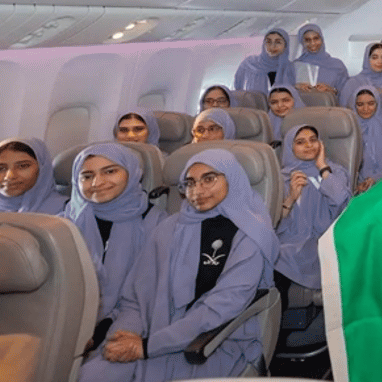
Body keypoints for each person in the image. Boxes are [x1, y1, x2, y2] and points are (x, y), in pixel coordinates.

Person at [80, 149, 279, 382]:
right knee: (90, 375)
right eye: (190, 183)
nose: (198, 191)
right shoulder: (168, 228)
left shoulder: (251, 233)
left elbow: (222, 307)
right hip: (151, 331)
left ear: (231, 178)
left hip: (211, 342)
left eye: (209, 179)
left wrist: (148, 346)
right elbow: (136, 299)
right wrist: (122, 336)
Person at [67, 143, 166, 351]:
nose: (97, 183)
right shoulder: (65, 223)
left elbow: (148, 294)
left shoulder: (157, 223)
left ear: (132, 173)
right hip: (70, 319)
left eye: (110, 171)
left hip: (132, 323)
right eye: (87, 176)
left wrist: (107, 332)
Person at [275, 126, 350, 309]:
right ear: (290, 147)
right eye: (300, 142)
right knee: (269, 252)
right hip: (289, 238)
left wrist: (322, 167)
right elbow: (275, 223)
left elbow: (344, 204)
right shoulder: (281, 178)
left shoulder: (335, 172)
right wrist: (291, 198)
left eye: (313, 140)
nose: (309, 145)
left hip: (324, 239)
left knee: (280, 257)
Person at [341, 85, 382, 192]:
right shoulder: (348, 130)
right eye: (360, 104)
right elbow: (343, 165)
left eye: (371, 103)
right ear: (353, 105)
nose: (366, 109)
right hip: (354, 186)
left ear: (378, 104)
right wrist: (354, 185)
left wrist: (376, 178)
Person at [0, 137, 67, 214]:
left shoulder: (66, 212)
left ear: (42, 169)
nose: (10, 176)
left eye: (22, 166)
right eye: (0, 168)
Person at [233, 28, 295, 94]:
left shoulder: (289, 67)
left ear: (285, 46)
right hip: (253, 100)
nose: (272, 46)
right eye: (268, 42)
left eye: (278, 42)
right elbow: (238, 88)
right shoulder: (250, 62)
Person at [292, 24, 348, 96]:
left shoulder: (337, 65)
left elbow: (347, 92)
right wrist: (295, 87)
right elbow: (283, 90)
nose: (312, 43)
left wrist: (331, 89)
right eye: (307, 40)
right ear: (302, 42)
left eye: (316, 38)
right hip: (301, 103)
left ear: (322, 39)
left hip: (330, 103)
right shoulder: (295, 66)